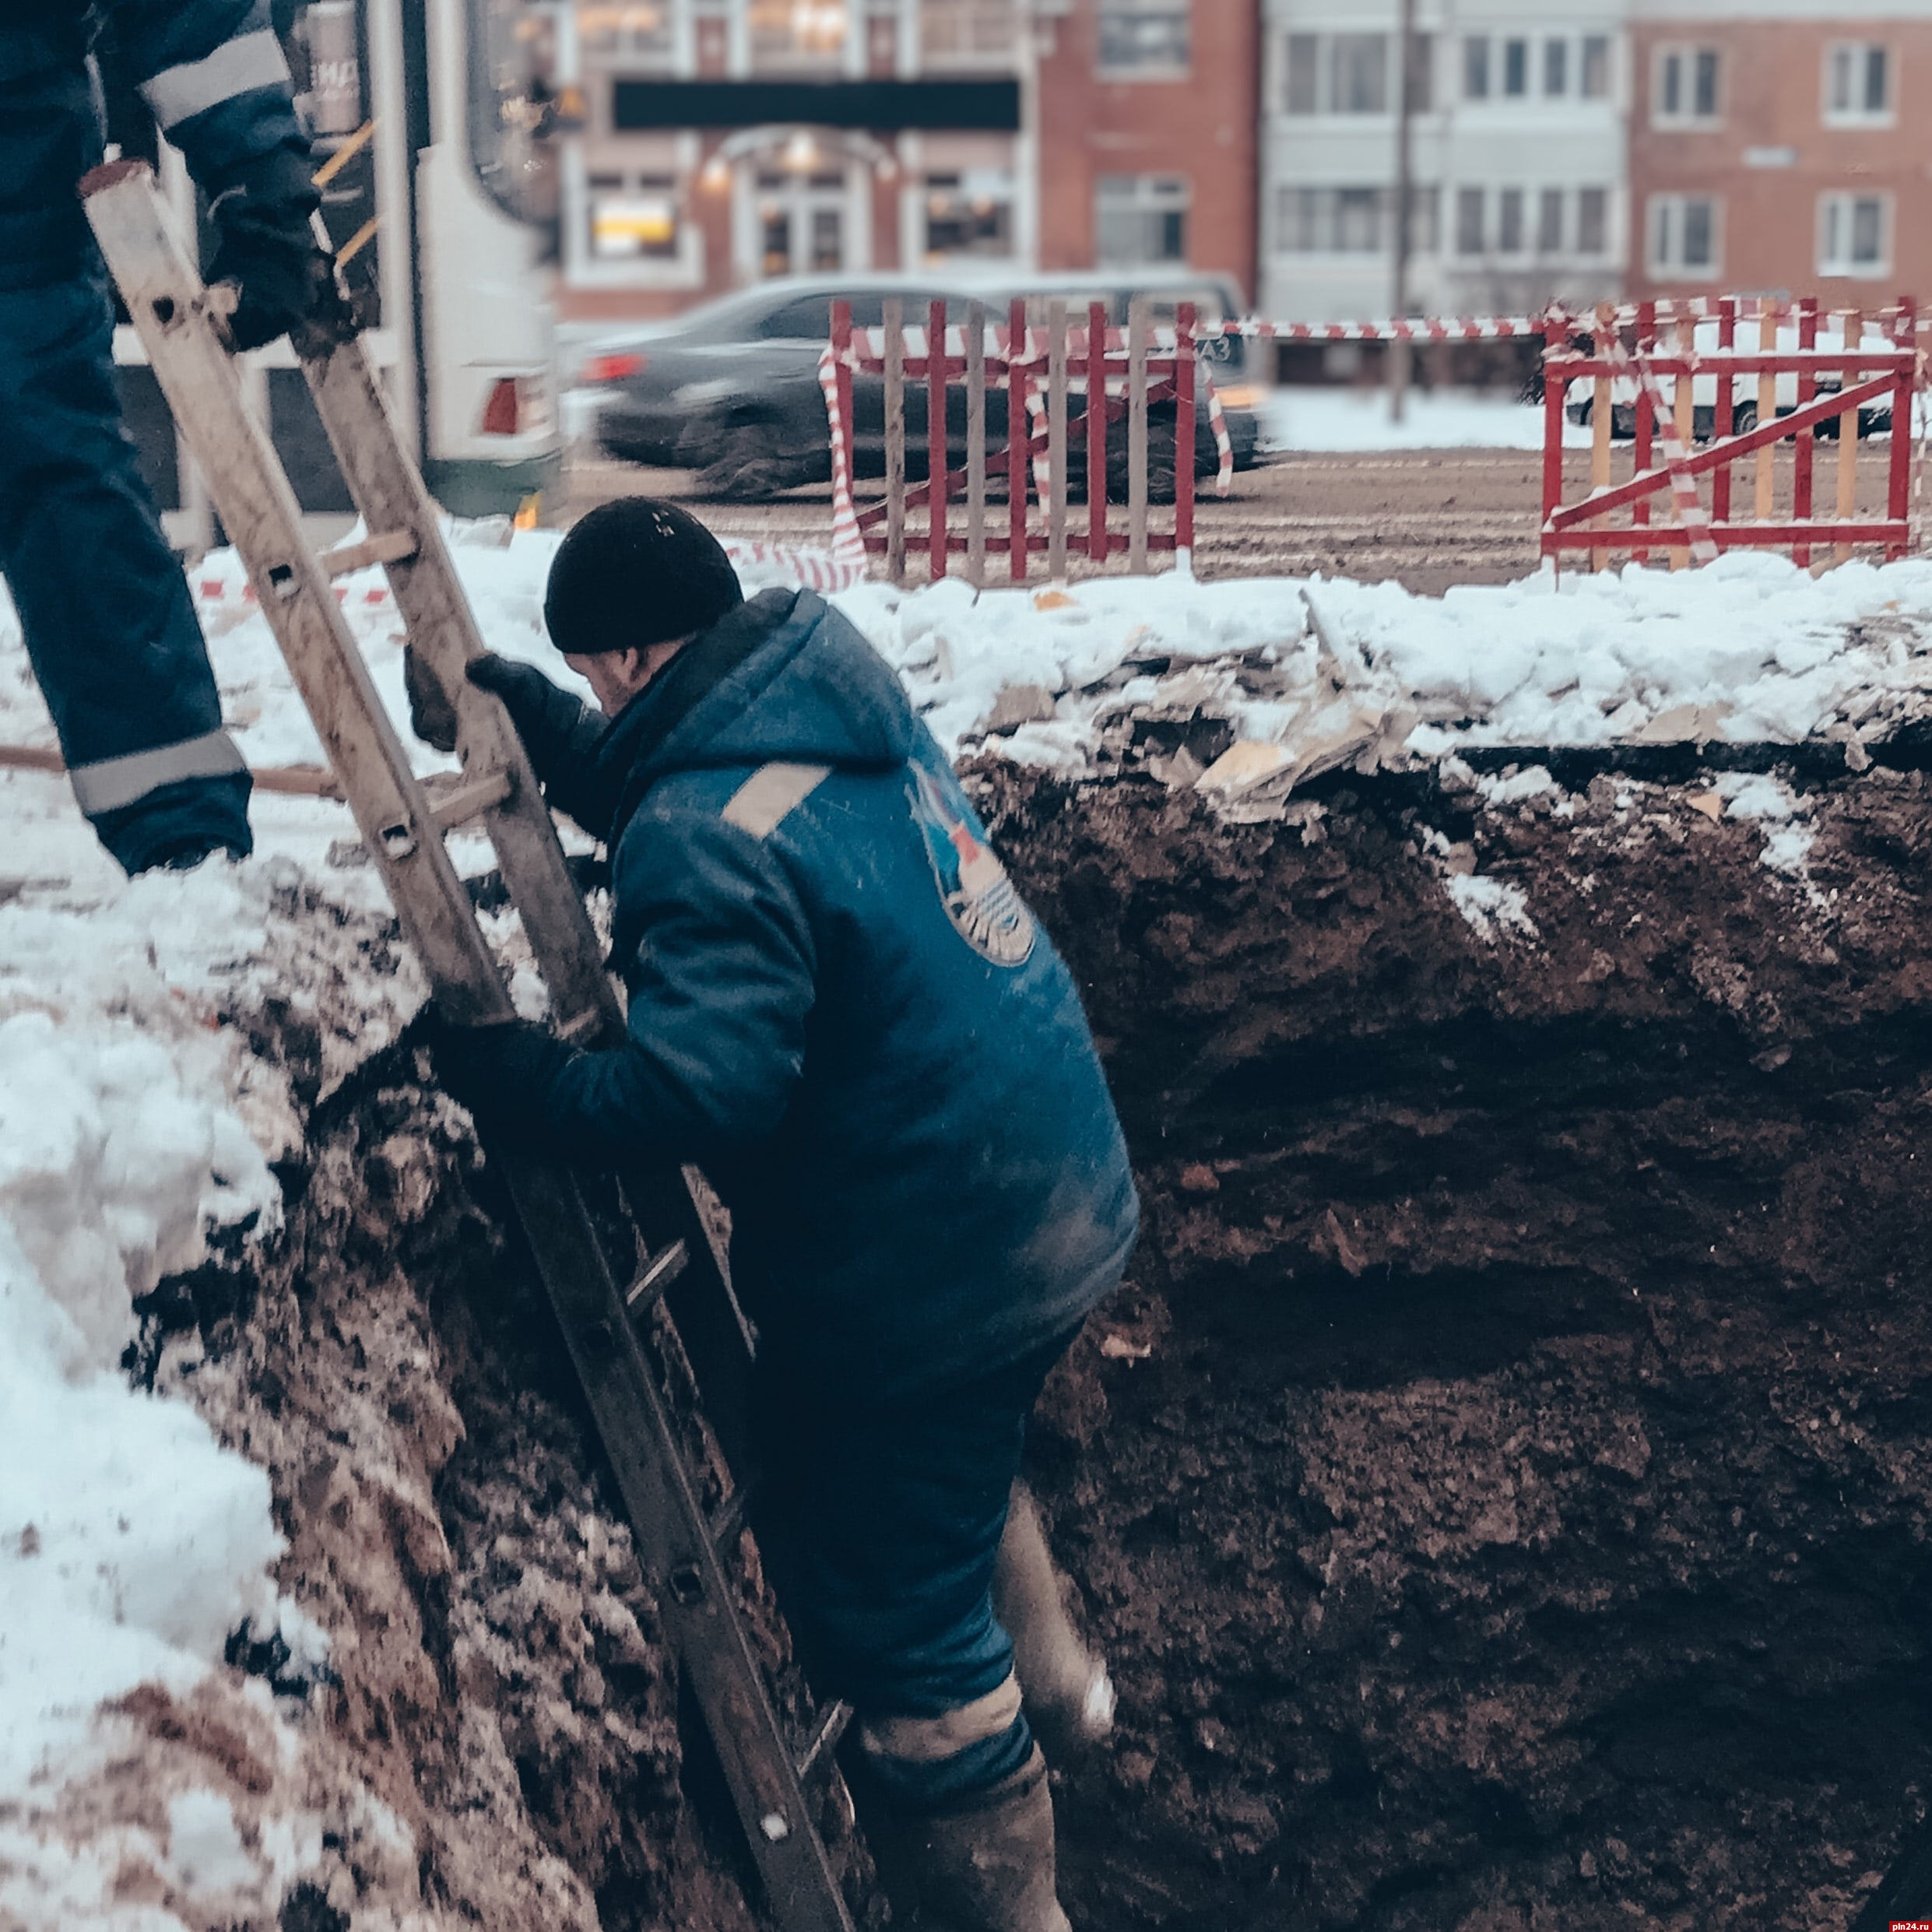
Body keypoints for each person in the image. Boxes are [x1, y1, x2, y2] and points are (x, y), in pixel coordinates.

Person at [427, 497, 1139, 1932]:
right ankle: (1061, 1690)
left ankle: (1008, 1901)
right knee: (933, 1470)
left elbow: (699, 1093)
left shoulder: (701, 828)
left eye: (597, 676)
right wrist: (571, 750)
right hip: (1044, 1196)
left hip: (930, 1260)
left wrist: (528, 1087)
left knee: (898, 1626)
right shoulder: (827, 710)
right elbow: (745, 824)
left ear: (626, 657)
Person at [2, 2, 343, 873]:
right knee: (66, 498)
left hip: (16, 226)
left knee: (66, 502)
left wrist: (260, 181)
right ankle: (178, 834)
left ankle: (181, 846)